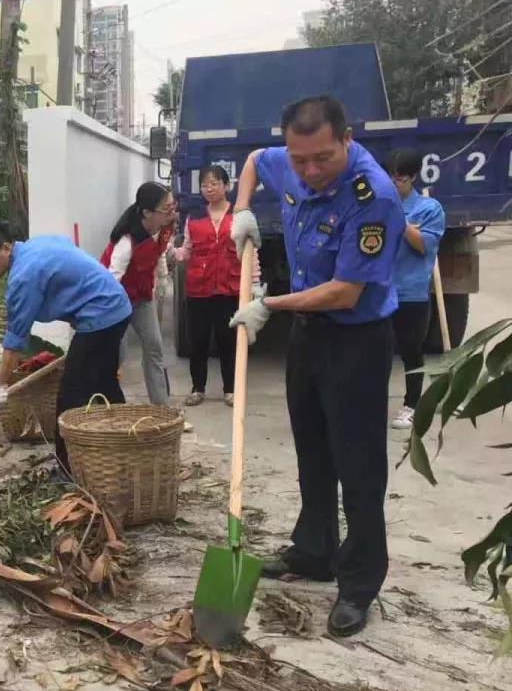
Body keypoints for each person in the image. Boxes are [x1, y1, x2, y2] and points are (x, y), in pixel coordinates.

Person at [227, 95, 405, 637]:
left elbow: (346, 292)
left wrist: (269, 304)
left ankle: (359, 583)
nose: (308, 171)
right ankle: (314, 551)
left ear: (346, 139)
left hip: (356, 339)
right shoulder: (288, 160)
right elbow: (254, 160)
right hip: (309, 335)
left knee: (358, 464)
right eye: (299, 159)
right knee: (312, 448)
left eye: (322, 158)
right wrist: (241, 209)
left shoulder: (372, 197)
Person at [0, 223, 132, 473]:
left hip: (101, 315)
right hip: (116, 305)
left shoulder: (23, 275)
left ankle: (68, 469)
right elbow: (66, 255)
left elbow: (15, 340)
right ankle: (127, 446)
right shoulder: (34, 246)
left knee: (71, 396)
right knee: (104, 384)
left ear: (5, 248)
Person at [171, 165, 262, 408]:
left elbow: (251, 255)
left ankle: (230, 390)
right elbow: (187, 251)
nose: (209, 189)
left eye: (214, 183)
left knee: (227, 342)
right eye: (204, 184)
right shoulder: (194, 218)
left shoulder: (240, 217)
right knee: (198, 342)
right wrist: (169, 251)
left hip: (228, 290)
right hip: (199, 291)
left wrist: (254, 286)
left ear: (226, 185)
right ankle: (197, 388)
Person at [384, 147, 446, 430]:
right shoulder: (377, 205)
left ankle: (411, 405)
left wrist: (399, 218)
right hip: (378, 292)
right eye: (390, 178)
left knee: (410, 350)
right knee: (376, 351)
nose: (394, 184)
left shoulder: (429, 209)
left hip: (411, 293)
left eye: (400, 179)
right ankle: (371, 402)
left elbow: (423, 245)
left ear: (412, 178)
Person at [99, 181, 175, 406]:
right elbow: (111, 280)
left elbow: (159, 251)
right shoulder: (127, 241)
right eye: (166, 209)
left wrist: (162, 278)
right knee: (117, 355)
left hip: (142, 298)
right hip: (116, 300)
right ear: (147, 213)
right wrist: (110, 314)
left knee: (154, 347)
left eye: (173, 206)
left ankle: (162, 408)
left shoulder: (164, 227)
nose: (172, 212)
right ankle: (109, 407)